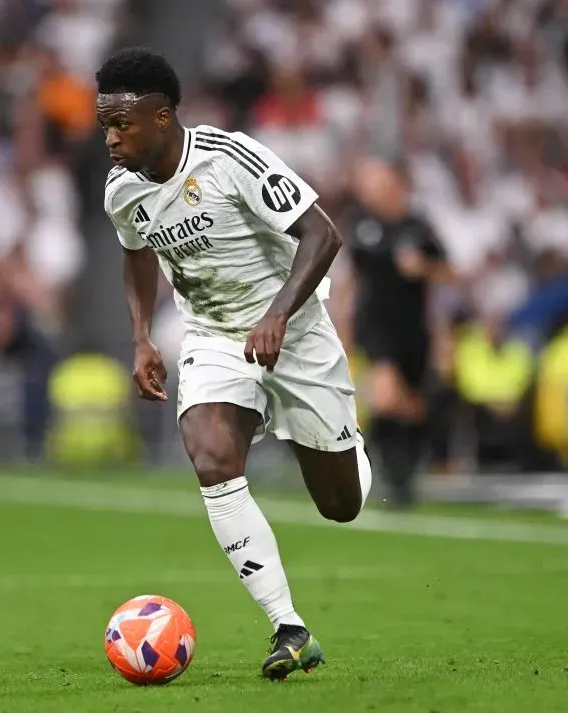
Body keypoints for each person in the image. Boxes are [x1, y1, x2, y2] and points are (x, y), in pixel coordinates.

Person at [96, 47, 373, 681]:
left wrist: (277, 314)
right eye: (104, 125)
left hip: (296, 332)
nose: (110, 138)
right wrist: (141, 337)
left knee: (341, 506)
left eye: (121, 124)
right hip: (214, 337)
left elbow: (323, 234)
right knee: (212, 459)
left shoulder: (229, 158)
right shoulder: (121, 189)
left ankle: (341, 442)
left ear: (161, 117)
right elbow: (135, 252)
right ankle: (290, 628)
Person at [339, 159, 451, 507]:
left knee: (414, 407)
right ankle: (387, 472)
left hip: (413, 328)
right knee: (385, 397)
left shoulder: (418, 227)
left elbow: (447, 273)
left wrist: (423, 268)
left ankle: (402, 473)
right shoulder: (362, 225)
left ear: (398, 187)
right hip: (375, 325)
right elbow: (350, 279)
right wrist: (341, 325)